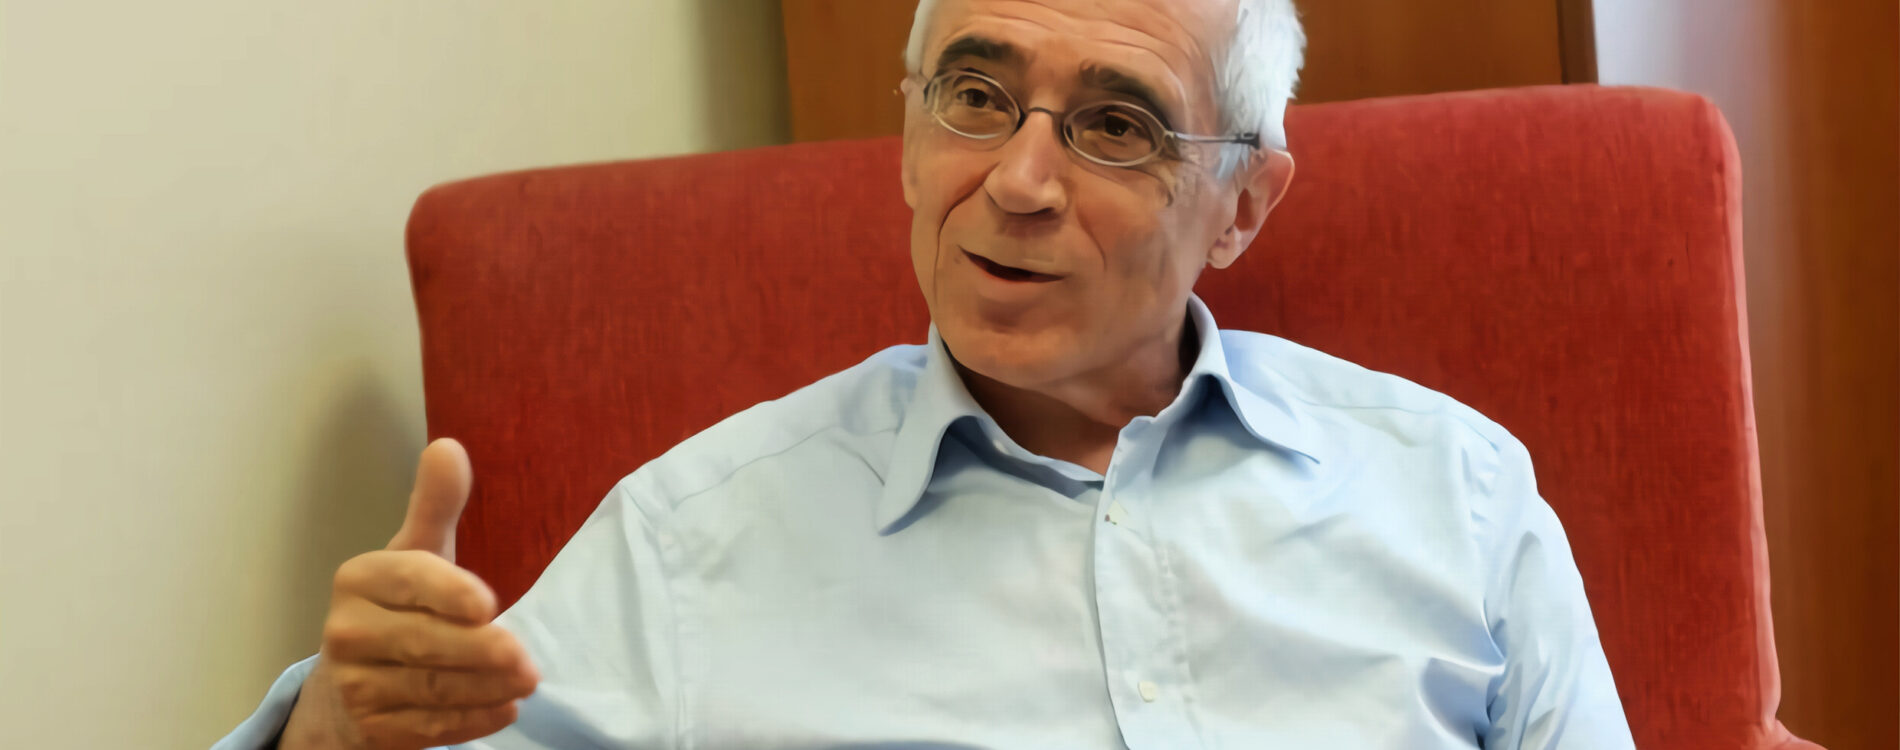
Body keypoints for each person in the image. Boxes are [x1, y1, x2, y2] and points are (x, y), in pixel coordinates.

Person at [218, 0, 1636, 747]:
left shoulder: (1452, 492)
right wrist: (332, 734)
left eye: (1117, 125)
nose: (1017, 182)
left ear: (1244, 206)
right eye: (975, 96)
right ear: (908, 139)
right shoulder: (694, 542)